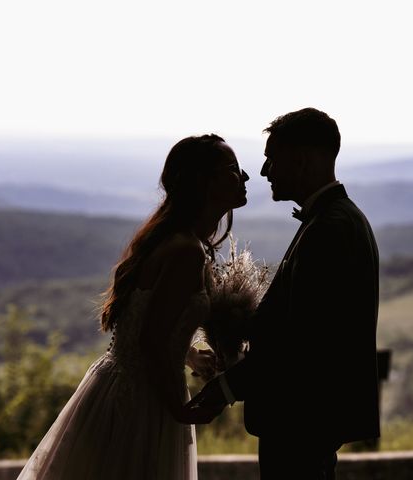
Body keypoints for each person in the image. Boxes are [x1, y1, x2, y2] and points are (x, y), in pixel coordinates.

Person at [17, 134, 250, 479]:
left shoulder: (178, 241)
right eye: (233, 169)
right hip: (141, 403)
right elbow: (150, 342)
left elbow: (146, 324)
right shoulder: (185, 250)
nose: (244, 177)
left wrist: (188, 355)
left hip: (129, 388)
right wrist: (179, 410)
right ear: (204, 182)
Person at [188, 108, 380, 479]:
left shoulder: (330, 229)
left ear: (302, 160)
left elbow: (302, 343)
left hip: (301, 420)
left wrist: (224, 389)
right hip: (306, 421)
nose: (263, 173)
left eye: (271, 160)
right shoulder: (333, 220)